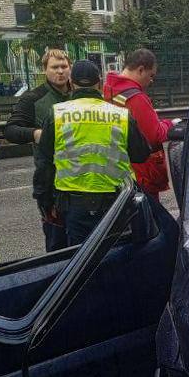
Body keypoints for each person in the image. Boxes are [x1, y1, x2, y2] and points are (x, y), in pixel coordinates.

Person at [36, 60, 152, 245]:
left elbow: (44, 163)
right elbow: (141, 154)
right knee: (114, 257)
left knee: (79, 261)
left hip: (72, 203)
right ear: (99, 83)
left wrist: (45, 201)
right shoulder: (120, 114)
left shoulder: (56, 114)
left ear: (71, 83)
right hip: (116, 202)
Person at [4, 49, 73, 251]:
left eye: (64, 67)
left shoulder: (80, 95)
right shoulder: (34, 98)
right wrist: (35, 133)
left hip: (83, 180)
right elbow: (10, 130)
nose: (60, 72)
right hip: (51, 182)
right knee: (57, 244)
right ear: (45, 70)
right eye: (54, 67)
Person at [103, 48, 171, 200]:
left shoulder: (109, 90)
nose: (151, 81)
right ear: (141, 70)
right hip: (141, 173)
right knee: (148, 218)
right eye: (151, 75)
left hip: (118, 167)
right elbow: (154, 136)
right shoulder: (136, 98)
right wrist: (169, 124)